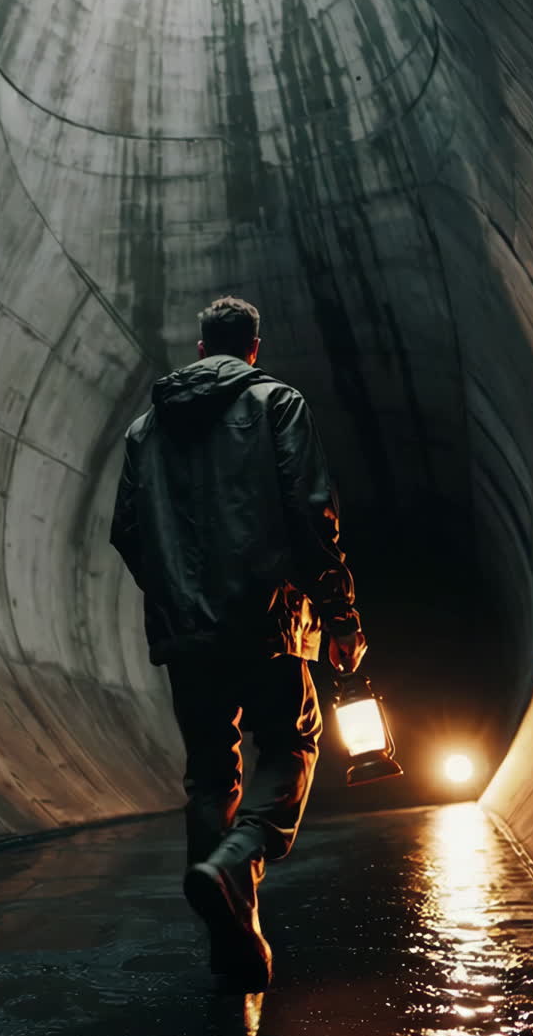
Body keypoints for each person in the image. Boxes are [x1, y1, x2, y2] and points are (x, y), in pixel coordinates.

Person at [110, 296, 366, 989]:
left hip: (186, 637)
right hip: (268, 622)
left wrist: (173, 599)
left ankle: (233, 941)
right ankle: (238, 859)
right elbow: (312, 514)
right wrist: (340, 617)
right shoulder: (277, 403)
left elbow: (128, 532)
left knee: (210, 777)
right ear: (252, 348)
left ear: (200, 349)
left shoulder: (144, 431)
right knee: (291, 744)